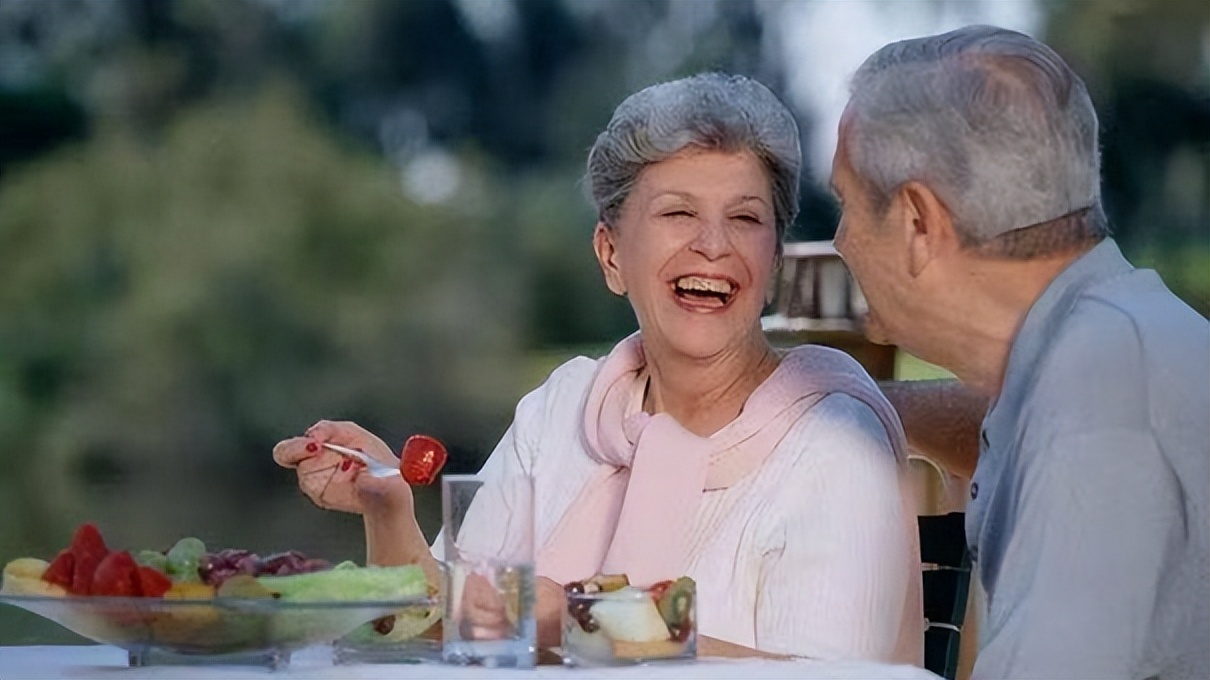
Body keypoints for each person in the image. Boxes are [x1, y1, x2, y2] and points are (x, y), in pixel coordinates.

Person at [274, 72, 923, 663]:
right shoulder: (565, 406)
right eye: (678, 213)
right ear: (611, 254)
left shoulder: (835, 443)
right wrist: (388, 512)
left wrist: (584, 622)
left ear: (774, 262)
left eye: (745, 219)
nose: (714, 245)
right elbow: (448, 624)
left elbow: (834, 678)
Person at [832, 25, 1209, 679]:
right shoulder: (1105, 344)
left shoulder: (1103, 411)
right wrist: (841, 398)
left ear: (920, 223)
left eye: (847, 204)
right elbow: (1000, 427)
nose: (838, 240)